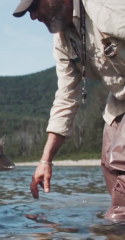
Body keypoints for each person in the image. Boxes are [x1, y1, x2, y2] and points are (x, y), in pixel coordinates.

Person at [13, 0, 125, 221]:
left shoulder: (105, 5)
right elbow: (66, 98)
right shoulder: (62, 43)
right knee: (108, 164)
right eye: (29, 13)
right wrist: (45, 161)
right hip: (120, 97)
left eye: (35, 7)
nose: (34, 17)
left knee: (119, 159)